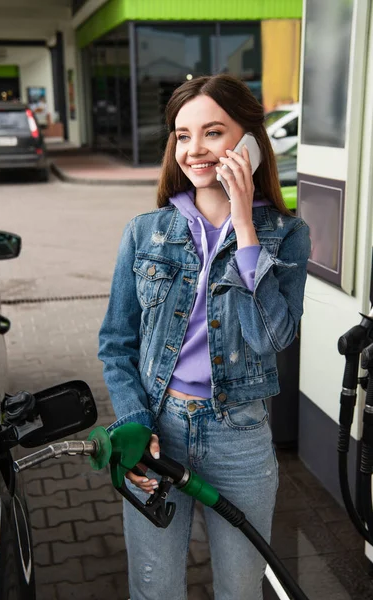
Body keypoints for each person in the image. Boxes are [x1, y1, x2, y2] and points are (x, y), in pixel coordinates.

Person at [98, 74, 310, 600]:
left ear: (250, 143)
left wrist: (244, 225)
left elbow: (271, 338)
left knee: (239, 591)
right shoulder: (144, 232)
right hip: (157, 426)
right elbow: (116, 342)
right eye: (182, 134)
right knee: (155, 589)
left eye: (213, 132)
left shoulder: (288, 236)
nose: (195, 150)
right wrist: (132, 420)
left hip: (239, 438)